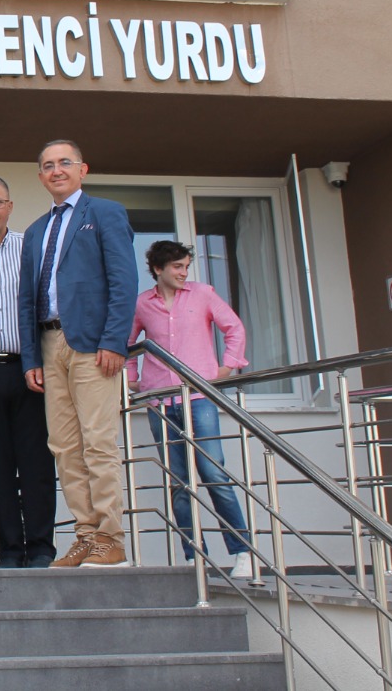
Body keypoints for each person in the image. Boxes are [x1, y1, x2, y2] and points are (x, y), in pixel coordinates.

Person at [18, 140, 138, 569]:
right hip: (49, 344)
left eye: (64, 163)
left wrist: (114, 340)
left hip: (91, 343)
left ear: (82, 169)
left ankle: (111, 537)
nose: (57, 170)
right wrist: (30, 358)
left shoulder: (105, 213)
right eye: (48, 165)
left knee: (97, 441)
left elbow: (124, 281)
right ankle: (86, 535)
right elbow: (26, 300)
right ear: (40, 176)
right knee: (64, 446)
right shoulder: (36, 230)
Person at [127, 240, 254, 578]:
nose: (184, 273)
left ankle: (242, 552)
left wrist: (228, 366)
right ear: (158, 269)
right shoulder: (142, 304)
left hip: (198, 398)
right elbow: (128, 344)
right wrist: (132, 379)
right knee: (178, 482)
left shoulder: (202, 294)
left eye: (186, 266)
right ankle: (193, 557)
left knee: (214, 473)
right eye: (177, 267)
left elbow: (234, 328)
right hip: (160, 400)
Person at [0, 175, 56, 569]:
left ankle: (41, 547)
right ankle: (10, 549)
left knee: (37, 463)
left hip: (29, 369)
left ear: (10, 206)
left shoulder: (30, 247)